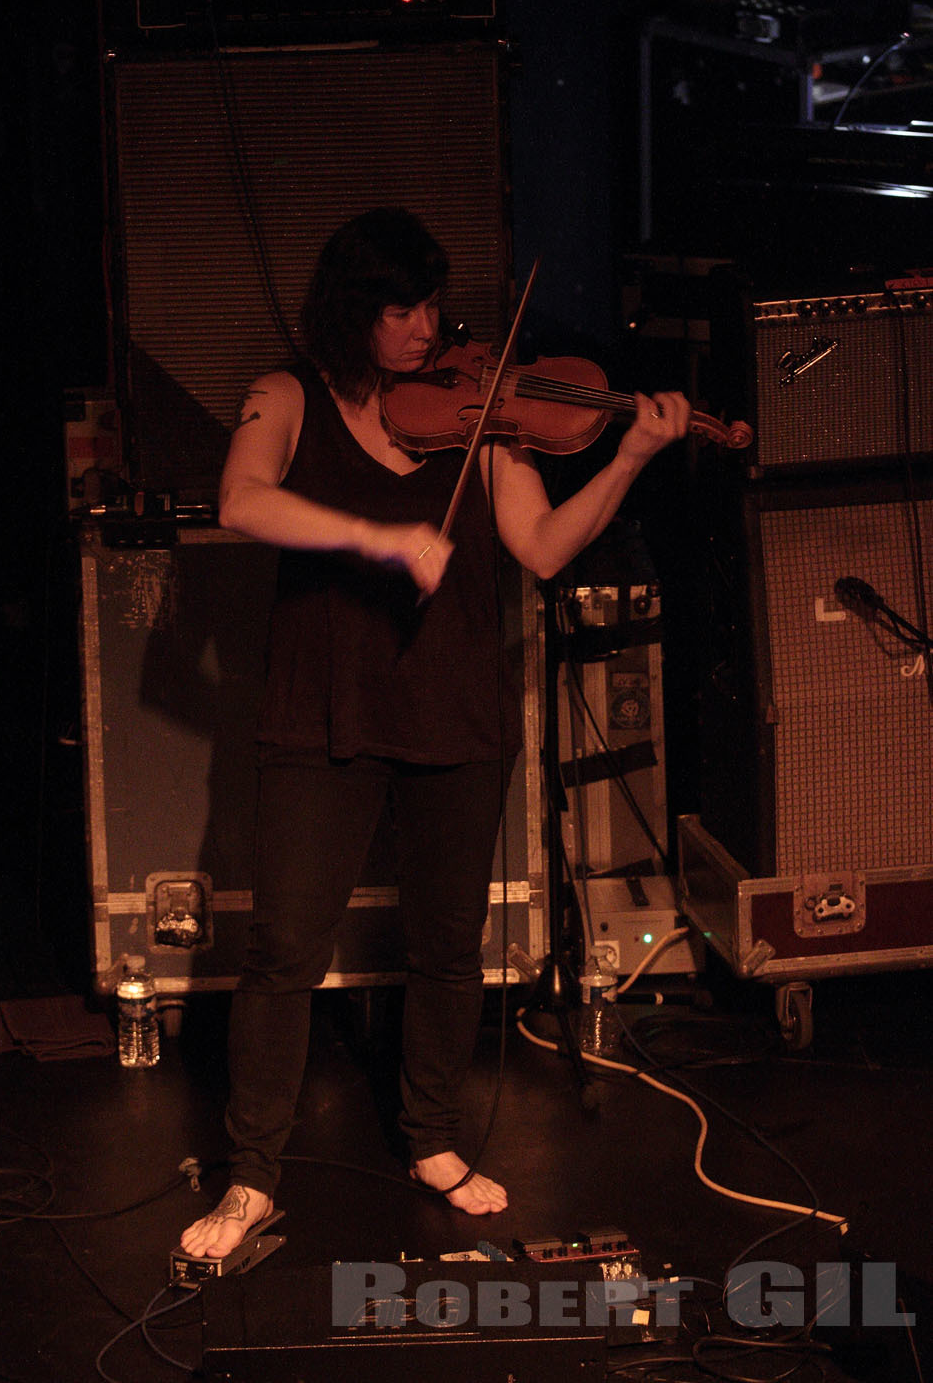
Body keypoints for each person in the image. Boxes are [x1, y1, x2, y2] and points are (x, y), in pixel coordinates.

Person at [180, 208, 689, 1260]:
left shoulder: (482, 417)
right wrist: (378, 538)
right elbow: (240, 501)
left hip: (453, 705)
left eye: (430, 308)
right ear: (351, 310)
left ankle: (433, 1139)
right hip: (321, 710)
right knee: (282, 948)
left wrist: (632, 454)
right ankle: (249, 1177)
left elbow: (541, 547)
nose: (424, 330)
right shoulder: (286, 396)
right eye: (398, 311)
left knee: (448, 948)